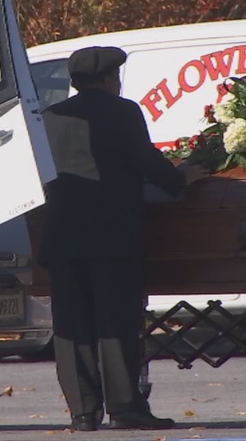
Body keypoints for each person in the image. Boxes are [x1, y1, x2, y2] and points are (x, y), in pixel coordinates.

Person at [39, 46, 205, 431]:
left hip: (62, 234)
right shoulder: (123, 110)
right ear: (108, 78)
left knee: (72, 327)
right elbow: (145, 160)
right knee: (115, 323)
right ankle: (125, 407)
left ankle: (83, 412)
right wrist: (182, 178)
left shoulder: (49, 117)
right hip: (110, 234)